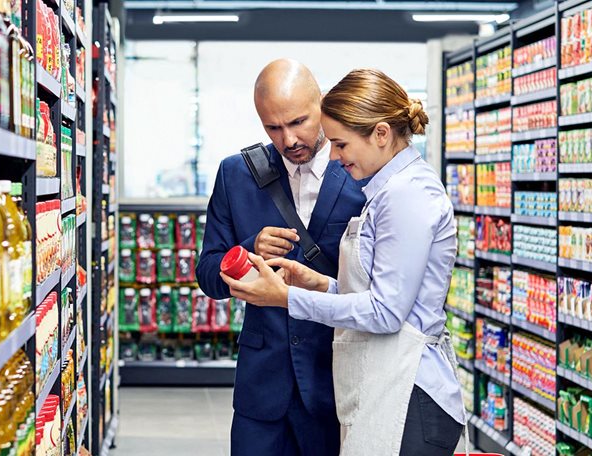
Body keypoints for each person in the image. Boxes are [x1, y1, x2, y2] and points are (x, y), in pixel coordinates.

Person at [220, 68, 466, 456]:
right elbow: (381, 296)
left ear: (381, 134)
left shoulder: (406, 196)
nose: (333, 155)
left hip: (409, 392)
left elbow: (385, 313)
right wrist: (318, 284)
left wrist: (286, 298)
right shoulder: (387, 192)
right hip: (386, 384)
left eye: (341, 144)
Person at [195, 59, 367, 456]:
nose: (289, 139)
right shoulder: (236, 174)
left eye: (299, 121)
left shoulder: (360, 171)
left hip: (337, 380)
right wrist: (247, 251)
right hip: (262, 386)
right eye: (273, 127)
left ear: (321, 103)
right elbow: (208, 273)